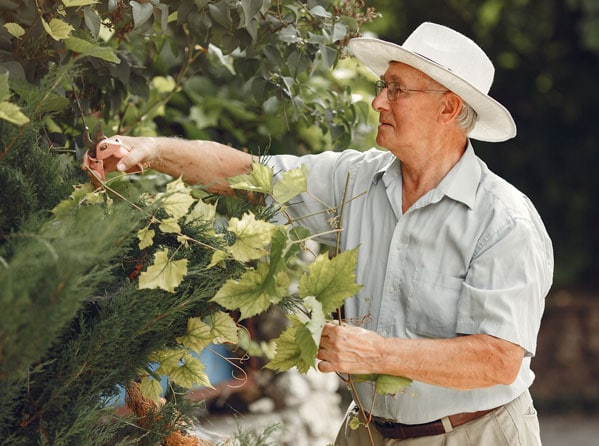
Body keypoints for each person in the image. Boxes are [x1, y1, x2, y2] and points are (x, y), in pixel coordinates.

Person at [106, 22, 553, 445]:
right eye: (383, 86)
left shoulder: (504, 220)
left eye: (396, 89)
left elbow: (498, 359)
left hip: (474, 434)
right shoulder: (354, 181)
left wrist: (379, 354)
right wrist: (150, 150)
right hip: (368, 430)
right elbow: (249, 174)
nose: (378, 101)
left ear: (449, 107)